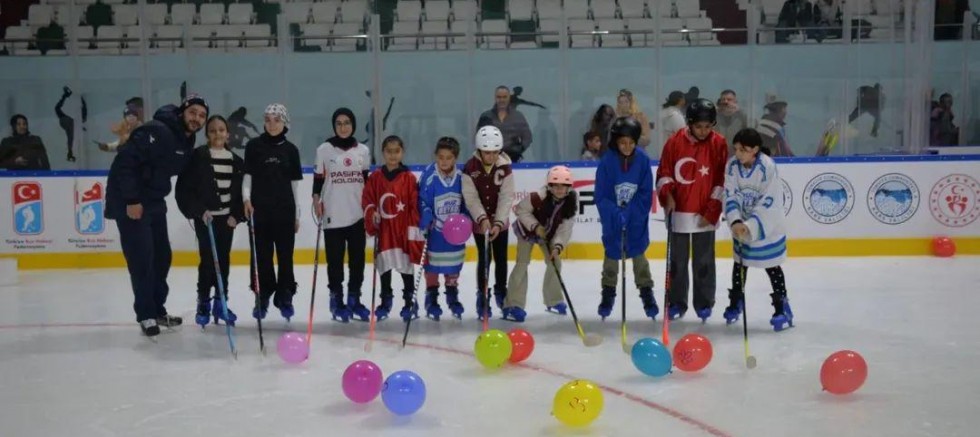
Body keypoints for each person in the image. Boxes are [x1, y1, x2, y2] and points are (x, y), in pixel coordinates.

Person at [104, 94, 208, 337]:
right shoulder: (157, 130)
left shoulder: (187, 139)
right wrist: (131, 200)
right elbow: (125, 163)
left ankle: (157, 309)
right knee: (142, 259)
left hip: (153, 200)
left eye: (202, 115)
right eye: (193, 112)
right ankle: (146, 314)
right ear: (183, 112)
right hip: (130, 200)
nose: (197, 118)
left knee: (162, 256)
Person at [656, 98, 729, 322]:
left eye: (708, 126)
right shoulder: (674, 142)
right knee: (677, 261)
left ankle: (704, 303)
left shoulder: (719, 143)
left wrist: (712, 208)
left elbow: (720, 179)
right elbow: (664, 173)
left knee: (704, 262)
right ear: (689, 123)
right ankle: (677, 302)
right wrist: (667, 195)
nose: (704, 131)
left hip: (704, 213)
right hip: (679, 212)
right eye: (698, 127)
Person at [175, 115, 246, 328]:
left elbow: (243, 193)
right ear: (207, 134)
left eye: (221, 130)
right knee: (208, 260)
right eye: (213, 130)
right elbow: (184, 190)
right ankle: (203, 302)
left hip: (227, 220)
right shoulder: (197, 157)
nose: (218, 134)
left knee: (223, 260)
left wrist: (237, 215)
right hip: (206, 219)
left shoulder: (236, 162)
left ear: (228, 134)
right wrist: (199, 211)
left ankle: (220, 303)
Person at [723, 128, 793, 331]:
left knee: (772, 266)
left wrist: (750, 225)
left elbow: (769, 201)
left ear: (755, 149)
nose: (738, 153)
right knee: (739, 266)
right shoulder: (732, 166)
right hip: (741, 224)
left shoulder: (767, 167)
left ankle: (782, 306)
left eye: (743, 150)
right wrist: (735, 221)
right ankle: (736, 301)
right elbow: (730, 194)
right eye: (736, 149)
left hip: (766, 226)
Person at [243, 103, 303, 321]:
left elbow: (296, 187)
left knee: (285, 257)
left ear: (284, 122)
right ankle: (263, 294)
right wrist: (246, 199)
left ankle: (285, 295)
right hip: (260, 212)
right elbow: (247, 177)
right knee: (261, 256)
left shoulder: (291, 150)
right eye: (268, 119)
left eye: (276, 120)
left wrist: (297, 215)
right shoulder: (253, 147)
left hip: (285, 212)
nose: (272, 124)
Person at [312, 108, 372, 322]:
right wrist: (315, 199)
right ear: (334, 126)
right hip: (333, 215)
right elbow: (318, 179)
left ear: (353, 124)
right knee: (335, 263)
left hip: (357, 215)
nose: (343, 126)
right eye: (339, 123)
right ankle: (336, 300)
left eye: (347, 122)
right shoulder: (324, 150)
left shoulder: (363, 151)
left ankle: (354, 299)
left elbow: (367, 182)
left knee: (358, 262)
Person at [595, 116, 657, 320]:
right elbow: (601, 195)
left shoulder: (642, 160)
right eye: (623, 143)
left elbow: (646, 192)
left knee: (639, 257)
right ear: (615, 141)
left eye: (631, 143)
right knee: (611, 258)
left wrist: (630, 213)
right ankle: (608, 294)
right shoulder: (607, 162)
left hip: (635, 221)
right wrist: (615, 213)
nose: (627, 147)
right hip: (613, 222)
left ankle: (647, 293)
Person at [503, 165, 578, 322]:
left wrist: (557, 246)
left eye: (563, 186)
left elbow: (565, 228)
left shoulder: (570, 202)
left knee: (555, 262)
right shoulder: (537, 197)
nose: (559, 190)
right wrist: (535, 226)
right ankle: (513, 305)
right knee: (522, 264)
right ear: (549, 186)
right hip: (526, 231)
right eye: (555, 186)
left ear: (569, 187)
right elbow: (520, 210)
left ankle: (554, 300)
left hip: (548, 234)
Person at [363, 135, 425, 322]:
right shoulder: (375, 178)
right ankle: (385, 300)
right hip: (385, 231)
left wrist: (415, 228)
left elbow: (414, 204)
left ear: (402, 152)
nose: (392, 155)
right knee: (385, 268)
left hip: (402, 230)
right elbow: (368, 199)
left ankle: (409, 301)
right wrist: (372, 211)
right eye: (388, 151)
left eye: (396, 151)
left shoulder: (408, 178)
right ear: (383, 153)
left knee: (406, 268)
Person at [462, 125, 515, 321]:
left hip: (500, 222)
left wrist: (498, 222)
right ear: (479, 150)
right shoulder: (470, 169)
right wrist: (483, 219)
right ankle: (482, 296)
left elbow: (506, 197)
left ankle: (501, 292)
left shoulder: (505, 168)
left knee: (501, 258)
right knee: (485, 259)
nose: (491, 156)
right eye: (487, 152)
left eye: (495, 152)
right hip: (480, 222)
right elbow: (471, 197)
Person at [417, 136, 468, 320]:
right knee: (432, 266)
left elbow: (466, 201)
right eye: (441, 157)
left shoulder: (462, 177)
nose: (444, 161)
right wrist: (427, 215)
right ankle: (431, 297)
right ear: (436, 156)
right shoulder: (429, 175)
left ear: (455, 158)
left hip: (454, 234)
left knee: (453, 265)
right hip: (435, 231)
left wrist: (465, 217)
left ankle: (452, 295)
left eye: (448, 157)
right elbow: (422, 199)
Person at [476, 86, 533, 163]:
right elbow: (478, 137)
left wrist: (519, 150)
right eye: (499, 97)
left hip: (513, 161)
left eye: (504, 97)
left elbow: (527, 137)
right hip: (491, 161)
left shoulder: (518, 116)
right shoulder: (486, 116)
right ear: (495, 98)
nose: (502, 100)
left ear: (509, 98)